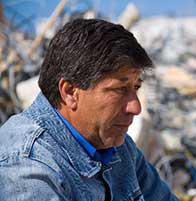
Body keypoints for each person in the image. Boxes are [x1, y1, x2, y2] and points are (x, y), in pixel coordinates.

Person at [0, 18, 179, 201]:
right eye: (120, 89)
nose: (136, 107)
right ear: (70, 92)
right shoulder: (26, 166)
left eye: (136, 88)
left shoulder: (118, 147)